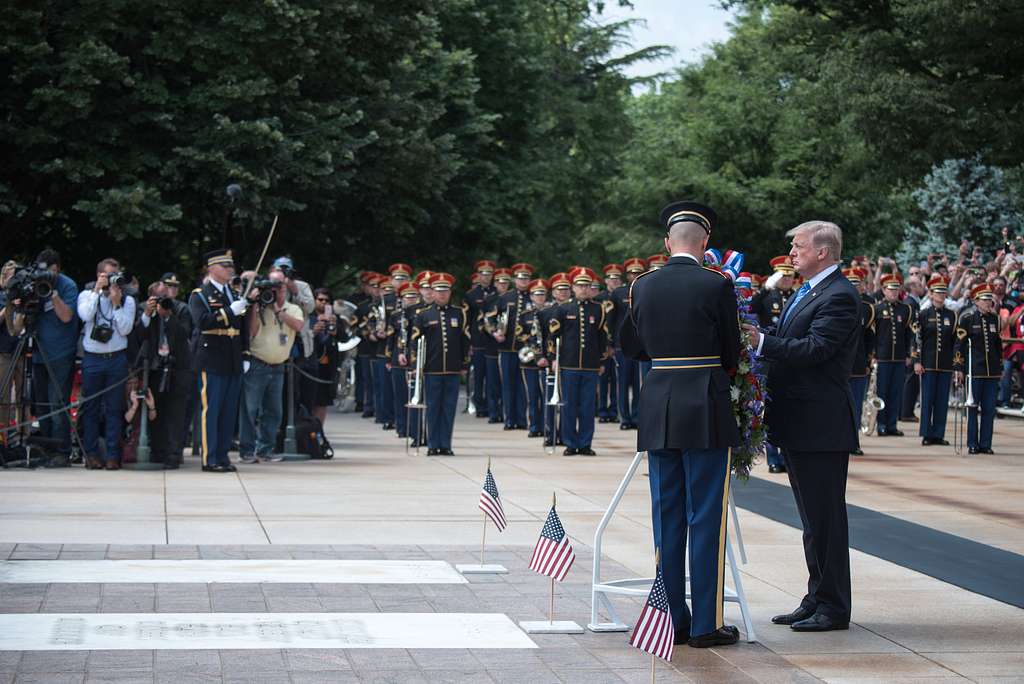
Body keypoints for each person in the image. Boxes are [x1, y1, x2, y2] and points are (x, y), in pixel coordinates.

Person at [620, 201, 741, 648]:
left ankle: (669, 615)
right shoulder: (716, 283)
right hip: (704, 403)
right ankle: (706, 623)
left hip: (658, 402)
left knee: (666, 513)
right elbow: (731, 352)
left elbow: (630, 345)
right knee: (706, 514)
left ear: (668, 244)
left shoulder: (642, 285)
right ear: (704, 244)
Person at [743, 220, 859, 633]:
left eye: (798, 247)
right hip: (801, 421)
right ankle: (817, 596)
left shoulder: (841, 295)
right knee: (813, 520)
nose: (792, 254)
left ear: (822, 252)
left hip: (820, 423)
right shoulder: (809, 290)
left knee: (826, 519)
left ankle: (833, 606)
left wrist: (760, 343)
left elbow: (817, 349)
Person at [15, 250, 79, 465]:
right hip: (39, 352)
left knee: (57, 403)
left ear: (57, 269)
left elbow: (67, 316)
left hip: (61, 353)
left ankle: (61, 451)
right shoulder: (35, 282)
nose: (46, 276)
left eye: (50, 272)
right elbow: (25, 316)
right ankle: (44, 448)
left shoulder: (67, 285)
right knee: (40, 405)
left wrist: (52, 292)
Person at [190, 248, 250, 473]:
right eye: (225, 266)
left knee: (228, 412)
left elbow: (241, 329)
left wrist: (245, 354)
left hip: (233, 358)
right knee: (211, 410)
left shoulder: (234, 295)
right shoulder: (200, 295)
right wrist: (228, 312)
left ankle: (223, 455)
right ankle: (210, 458)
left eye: (230, 266)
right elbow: (202, 322)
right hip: (212, 358)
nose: (229, 270)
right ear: (212, 269)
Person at [77, 258, 136, 470]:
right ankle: (91, 454)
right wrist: (97, 291)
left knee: (114, 409)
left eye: (115, 275)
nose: (113, 280)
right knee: (91, 408)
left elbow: (126, 329)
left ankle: (113, 455)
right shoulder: (86, 295)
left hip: (116, 359)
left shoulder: (126, 300)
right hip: (93, 359)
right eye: (109, 275)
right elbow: (85, 315)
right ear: (100, 275)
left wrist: (116, 303)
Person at [240, 271, 304, 464]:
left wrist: (277, 310)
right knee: (250, 410)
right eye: (273, 289)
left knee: (274, 411)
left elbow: (299, 326)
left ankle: (265, 449)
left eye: (280, 289)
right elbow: (251, 332)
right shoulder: (260, 307)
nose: (277, 292)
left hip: (278, 367)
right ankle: (247, 450)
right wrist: (255, 306)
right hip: (257, 364)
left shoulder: (292, 309)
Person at [548, 267, 610, 456]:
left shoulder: (598, 309)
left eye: (586, 285)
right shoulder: (563, 308)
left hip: (591, 366)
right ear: (573, 287)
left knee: (587, 406)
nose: (583, 289)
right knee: (569, 406)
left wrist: (601, 362)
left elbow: (603, 339)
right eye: (579, 285)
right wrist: (552, 358)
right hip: (568, 365)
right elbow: (553, 336)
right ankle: (570, 443)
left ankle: (585, 443)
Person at [410, 273, 469, 455]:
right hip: (431, 369)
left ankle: (446, 445)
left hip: (452, 368)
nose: (442, 294)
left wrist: (464, 364)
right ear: (432, 293)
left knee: (449, 408)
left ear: (450, 293)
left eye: (445, 291)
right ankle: (433, 444)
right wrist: (415, 366)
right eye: (438, 291)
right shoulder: (424, 315)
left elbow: (464, 341)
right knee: (433, 408)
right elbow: (415, 341)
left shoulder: (459, 313)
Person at [139, 280, 193, 468]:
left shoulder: (180, 310)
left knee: (176, 414)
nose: (165, 299)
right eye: (160, 296)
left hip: (177, 369)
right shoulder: (144, 310)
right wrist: (149, 313)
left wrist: (169, 316)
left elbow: (185, 333)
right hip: (154, 369)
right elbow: (139, 334)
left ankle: (173, 455)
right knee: (157, 413)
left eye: (167, 295)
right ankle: (157, 451)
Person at [954, 283, 1002, 454]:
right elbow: (959, 345)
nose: (989, 302)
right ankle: (972, 443)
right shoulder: (967, 319)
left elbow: (997, 345)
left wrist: (999, 367)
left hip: (991, 371)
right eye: (985, 299)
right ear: (976, 301)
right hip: (974, 370)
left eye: (990, 299)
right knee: (972, 407)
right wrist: (959, 368)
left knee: (989, 409)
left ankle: (986, 444)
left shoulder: (995, 319)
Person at [489, 263, 533, 430]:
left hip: (526, 349)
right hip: (507, 348)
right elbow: (490, 318)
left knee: (523, 385)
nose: (524, 281)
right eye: (521, 278)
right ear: (515, 279)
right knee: (507, 384)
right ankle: (509, 419)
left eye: (527, 278)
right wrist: (495, 332)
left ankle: (522, 419)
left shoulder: (534, 297)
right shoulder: (505, 298)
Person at [915, 275, 956, 446]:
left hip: (945, 365)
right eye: (937, 292)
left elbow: (955, 342)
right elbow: (917, 339)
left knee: (941, 401)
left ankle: (938, 433)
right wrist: (917, 360)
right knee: (928, 399)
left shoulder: (952, 315)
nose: (940, 295)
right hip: (928, 364)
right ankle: (926, 433)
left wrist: (956, 363)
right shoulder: (924, 314)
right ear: (931, 294)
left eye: (943, 292)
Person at [872, 274, 915, 436]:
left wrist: (909, 354)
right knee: (882, 392)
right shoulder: (877, 309)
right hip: (882, 357)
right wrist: (873, 355)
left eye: (896, 289)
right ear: (883, 290)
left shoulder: (905, 309)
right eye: (891, 289)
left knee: (896, 392)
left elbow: (909, 334)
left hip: (899, 357)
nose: (894, 292)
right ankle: (881, 424)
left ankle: (892, 424)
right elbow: (874, 336)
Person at [611, 258, 646, 431]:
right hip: (621, 345)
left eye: (638, 273)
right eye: (632, 273)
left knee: (638, 383)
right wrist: (610, 344)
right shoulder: (618, 293)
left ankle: (637, 416)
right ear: (627, 275)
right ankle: (624, 417)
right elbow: (611, 320)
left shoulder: (647, 289)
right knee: (623, 383)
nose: (635, 276)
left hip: (641, 344)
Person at [845, 267, 874, 455]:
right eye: (851, 283)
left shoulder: (867, 308)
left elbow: (870, 339)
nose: (855, 287)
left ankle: (853, 442)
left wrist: (869, 360)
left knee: (856, 404)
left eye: (857, 284)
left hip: (858, 363)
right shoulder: (838, 304)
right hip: (840, 364)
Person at [516, 278, 550, 438]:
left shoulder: (551, 312)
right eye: (537, 294)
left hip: (546, 360)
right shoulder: (525, 315)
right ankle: (534, 426)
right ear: (531, 296)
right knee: (532, 395)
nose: (540, 297)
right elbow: (519, 333)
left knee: (546, 395)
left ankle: (546, 426)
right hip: (530, 361)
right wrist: (533, 347)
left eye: (542, 294)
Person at [387, 282, 421, 441]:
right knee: (400, 394)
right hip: (397, 358)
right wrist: (389, 357)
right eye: (408, 296)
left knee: (413, 396)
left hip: (413, 358)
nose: (411, 299)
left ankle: (414, 428)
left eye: (413, 296)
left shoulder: (420, 313)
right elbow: (391, 337)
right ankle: (401, 427)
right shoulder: (396, 315)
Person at [465, 260, 496, 418]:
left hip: (493, 341)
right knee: (478, 376)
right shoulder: (471, 295)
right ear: (478, 275)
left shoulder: (497, 293)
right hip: (477, 340)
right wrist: (469, 342)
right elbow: (467, 321)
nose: (486, 277)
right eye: (483, 274)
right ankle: (480, 406)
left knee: (492, 377)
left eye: (489, 274)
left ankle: (492, 407)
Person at [310, 287, 342, 426]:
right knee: (309, 399)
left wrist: (335, 330)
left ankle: (318, 432)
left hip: (327, 365)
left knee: (322, 401)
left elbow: (345, 338)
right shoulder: (308, 317)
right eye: (320, 299)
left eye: (327, 300)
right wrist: (314, 330)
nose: (323, 303)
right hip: (310, 363)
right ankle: (307, 431)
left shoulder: (335, 318)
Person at [481, 268, 510, 423]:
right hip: (492, 345)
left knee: (507, 382)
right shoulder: (489, 300)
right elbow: (483, 321)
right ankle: (494, 413)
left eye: (506, 282)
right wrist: (493, 332)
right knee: (492, 382)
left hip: (508, 345)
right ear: (495, 283)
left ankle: (506, 412)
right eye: (500, 282)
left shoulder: (512, 299)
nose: (503, 285)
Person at [595, 264, 622, 424]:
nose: (614, 282)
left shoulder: (623, 295)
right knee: (603, 379)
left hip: (617, 343)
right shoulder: (600, 298)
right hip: (604, 344)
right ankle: (602, 410)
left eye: (617, 279)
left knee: (616, 379)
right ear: (606, 281)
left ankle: (614, 410)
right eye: (612, 279)